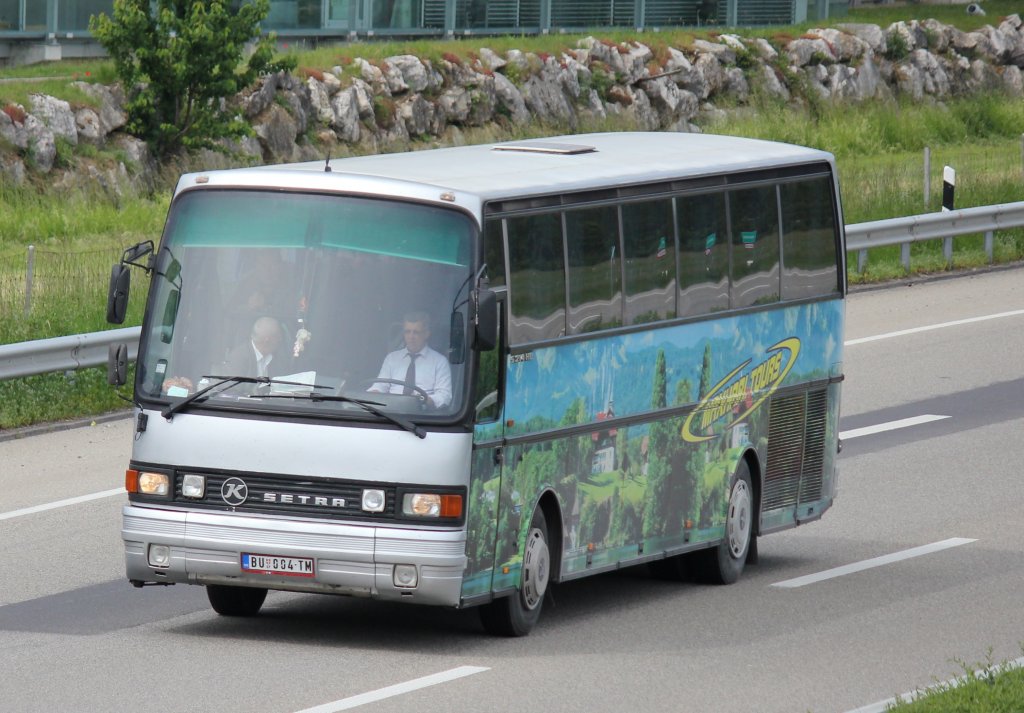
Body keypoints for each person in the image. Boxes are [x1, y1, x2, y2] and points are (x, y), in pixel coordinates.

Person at [369, 311, 452, 408]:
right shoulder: (392, 358)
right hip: (390, 412)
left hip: (423, 415)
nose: (411, 337)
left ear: (426, 334)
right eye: (407, 331)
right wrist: (372, 394)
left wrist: (423, 400)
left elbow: (444, 396)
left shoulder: (440, 362)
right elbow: (380, 386)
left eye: (416, 332)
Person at [221, 316, 285, 378]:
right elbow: (235, 388)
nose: (280, 339)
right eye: (277, 336)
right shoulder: (238, 359)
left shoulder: (277, 357)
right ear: (267, 340)